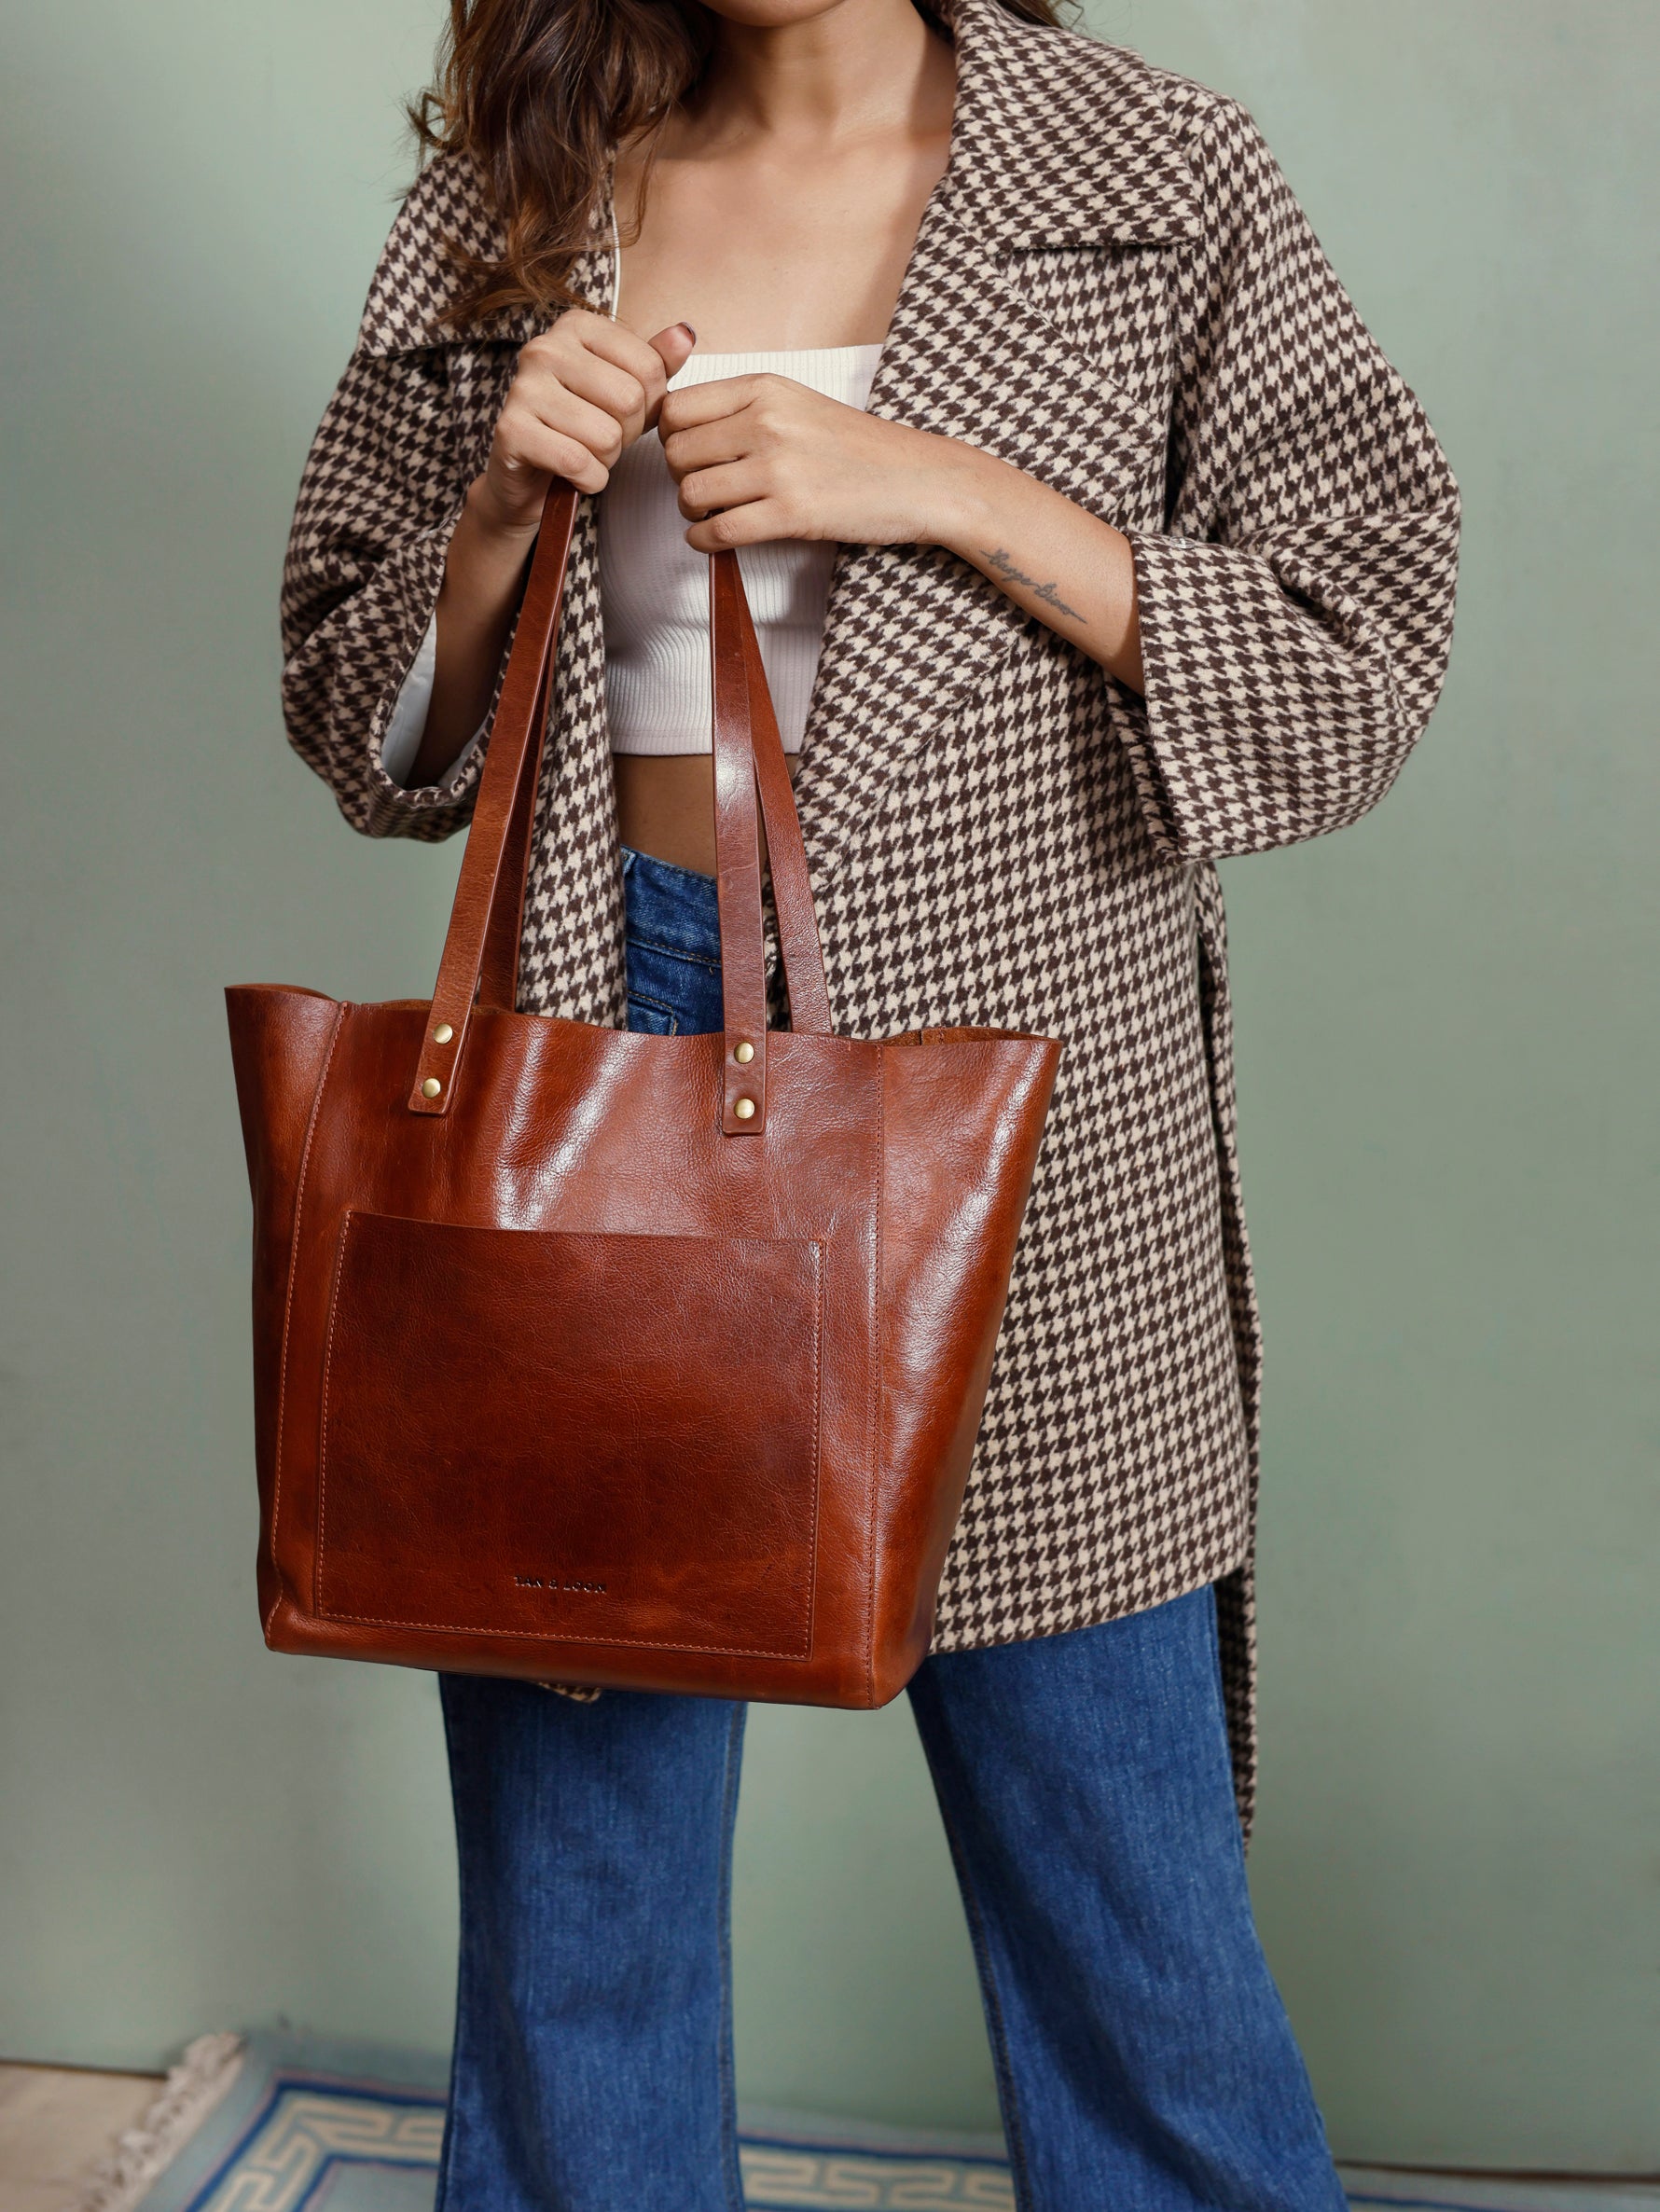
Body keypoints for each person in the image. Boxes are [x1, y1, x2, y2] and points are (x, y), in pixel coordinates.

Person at [280, 0, 1460, 2202]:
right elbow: (355, 706)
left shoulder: (1150, 169)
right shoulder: (524, 177)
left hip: (1011, 1099)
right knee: (575, 1920)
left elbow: (1353, 650)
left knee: (1132, 1923)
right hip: (592, 1051)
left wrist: (944, 488)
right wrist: (491, 523)